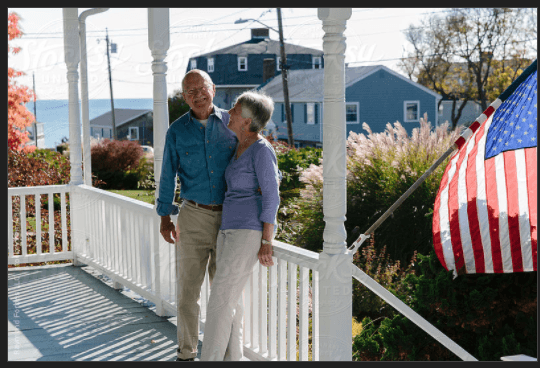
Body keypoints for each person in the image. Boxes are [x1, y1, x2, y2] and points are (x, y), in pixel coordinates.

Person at [157, 69, 237, 361]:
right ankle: (187, 352)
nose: (197, 95)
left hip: (232, 219)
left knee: (224, 291)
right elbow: (168, 176)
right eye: (190, 92)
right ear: (184, 97)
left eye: (201, 88)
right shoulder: (177, 131)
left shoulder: (234, 122)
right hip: (193, 217)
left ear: (213, 88)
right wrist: (165, 216)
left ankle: (224, 352)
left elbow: (256, 157)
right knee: (188, 291)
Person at [200, 91, 280, 361]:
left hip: (247, 232)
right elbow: (219, 114)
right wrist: (201, 96)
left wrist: (267, 241)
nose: (230, 113)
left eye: (235, 109)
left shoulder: (261, 149)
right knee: (230, 304)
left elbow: (272, 196)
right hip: (228, 230)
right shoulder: (241, 144)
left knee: (219, 303)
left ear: (247, 120)